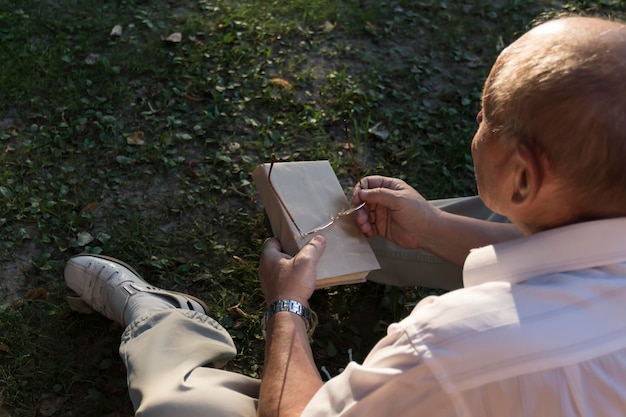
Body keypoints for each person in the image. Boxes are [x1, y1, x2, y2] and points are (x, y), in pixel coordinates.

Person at [64, 15, 626, 416]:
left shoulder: (454, 345)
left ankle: (165, 325)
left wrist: (286, 306)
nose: (477, 124)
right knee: (491, 220)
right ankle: (364, 254)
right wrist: (432, 228)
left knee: (182, 411)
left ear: (524, 176)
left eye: (486, 114)